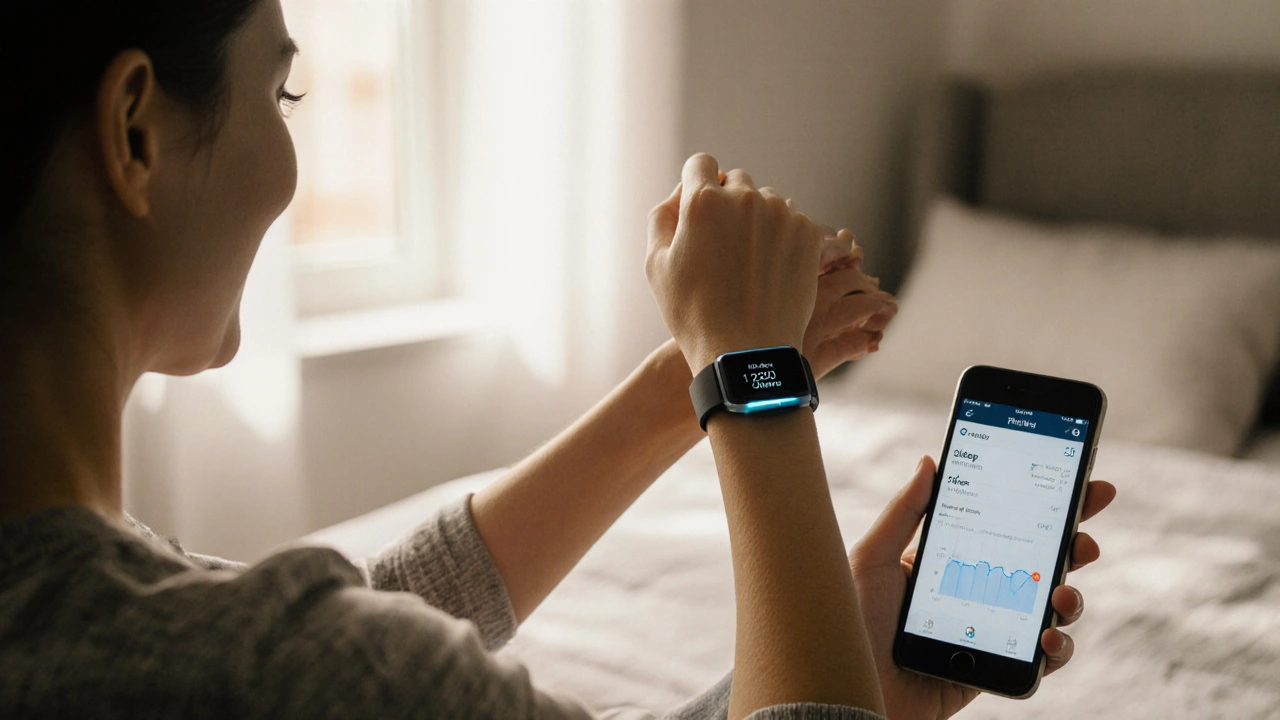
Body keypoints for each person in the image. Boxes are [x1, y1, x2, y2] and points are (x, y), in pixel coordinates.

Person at [0, 1, 1116, 718]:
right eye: (278, 91)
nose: (292, 148)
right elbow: (340, 663)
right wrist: (748, 377)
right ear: (136, 130)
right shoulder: (260, 665)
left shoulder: (111, 609)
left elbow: (362, 632)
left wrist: (681, 393)